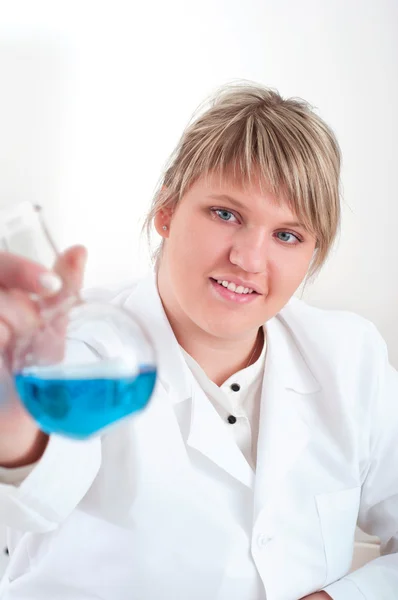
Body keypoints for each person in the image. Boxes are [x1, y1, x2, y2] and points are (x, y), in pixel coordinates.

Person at [0, 83, 397, 600]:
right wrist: (13, 418)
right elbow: (35, 490)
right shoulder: (78, 348)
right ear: (167, 209)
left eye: (287, 235)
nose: (250, 259)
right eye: (226, 214)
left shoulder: (349, 356)